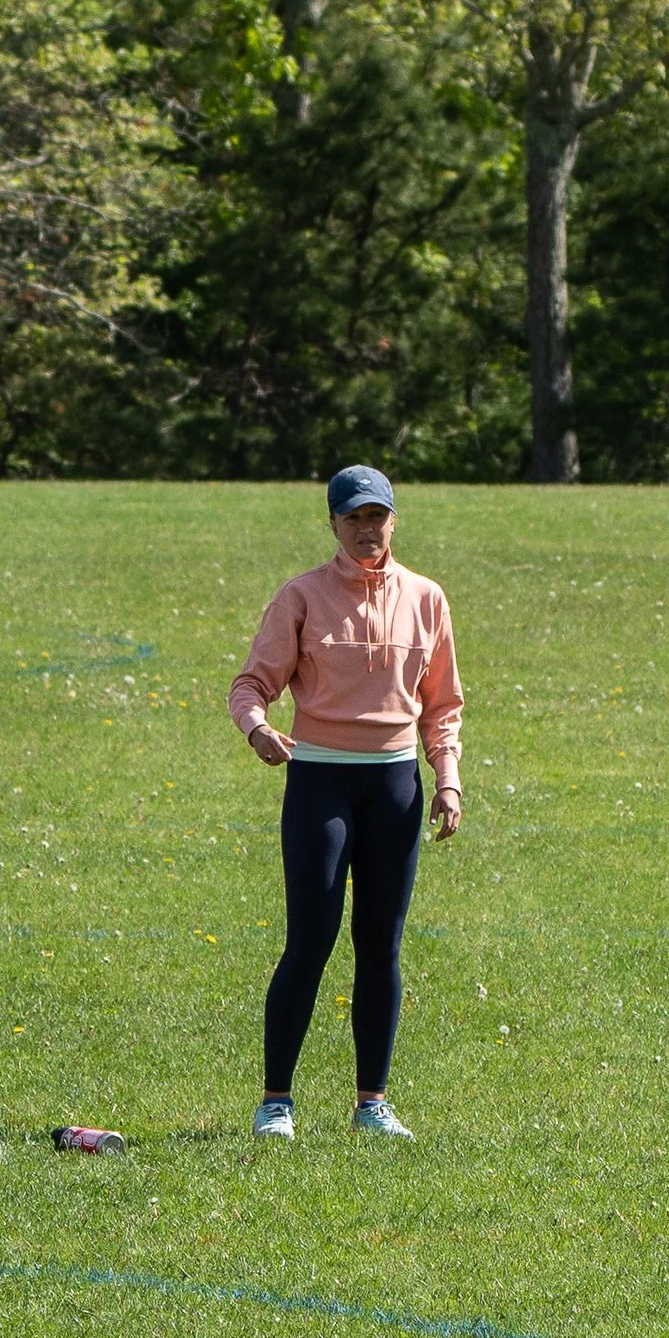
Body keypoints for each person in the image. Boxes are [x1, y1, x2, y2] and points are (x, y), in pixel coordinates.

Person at [228, 465, 464, 1141]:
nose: (367, 530)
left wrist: (447, 777)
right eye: (354, 518)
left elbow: (442, 704)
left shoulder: (426, 598)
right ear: (331, 523)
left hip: (394, 786)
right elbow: (250, 685)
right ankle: (276, 1102)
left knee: (380, 945)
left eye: (378, 517)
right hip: (319, 784)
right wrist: (259, 731)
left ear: (394, 520)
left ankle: (372, 1103)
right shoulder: (300, 597)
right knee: (310, 939)